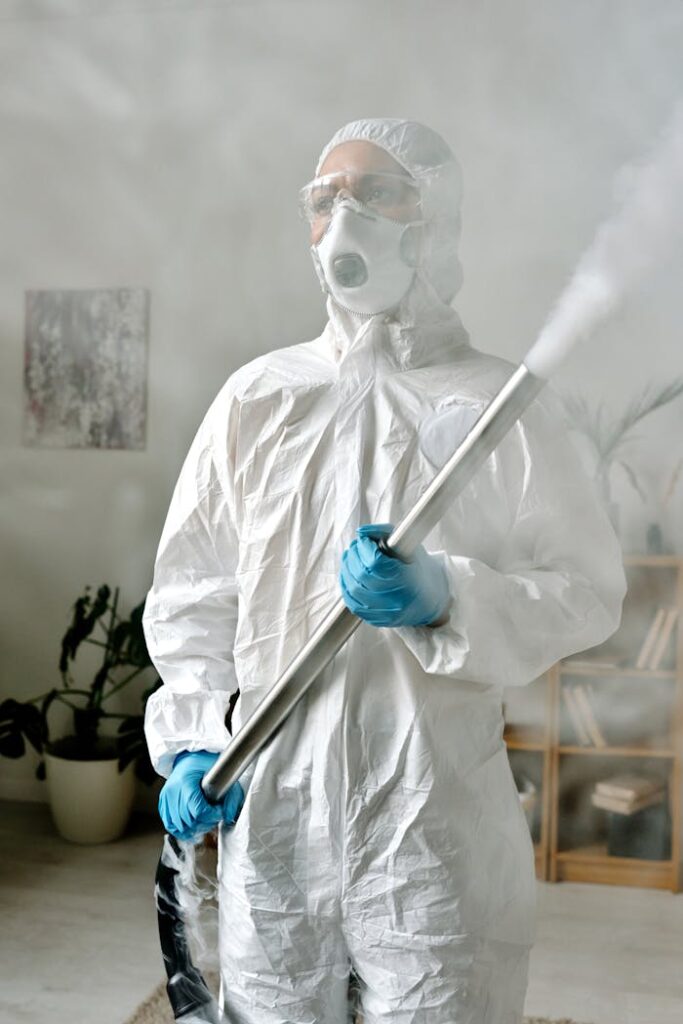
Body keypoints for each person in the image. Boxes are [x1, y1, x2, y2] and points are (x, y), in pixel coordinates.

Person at [143, 118, 626, 1024]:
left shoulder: (501, 402)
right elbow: (194, 591)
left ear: (434, 216)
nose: (343, 216)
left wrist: (449, 597)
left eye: (375, 192)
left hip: (431, 819)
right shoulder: (259, 396)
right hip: (272, 807)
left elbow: (586, 590)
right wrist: (198, 732)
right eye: (324, 197)